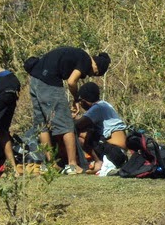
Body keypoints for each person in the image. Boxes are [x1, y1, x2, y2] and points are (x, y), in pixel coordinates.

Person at [25, 47, 111, 175]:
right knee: (67, 125)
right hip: (49, 83)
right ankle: (72, 165)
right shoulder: (86, 59)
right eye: (93, 73)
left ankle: (49, 164)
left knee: (42, 126)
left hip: (35, 80)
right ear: (96, 66)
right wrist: (76, 99)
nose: (88, 75)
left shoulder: (76, 54)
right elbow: (71, 82)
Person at [73, 81, 128, 173]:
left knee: (79, 134)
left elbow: (78, 125)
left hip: (113, 153)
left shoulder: (97, 108)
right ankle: (98, 161)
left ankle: (98, 162)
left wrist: (71, 118)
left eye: (81, 101)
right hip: (120, 153)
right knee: (90, 130)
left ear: (85, 100)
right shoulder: (105, 105)